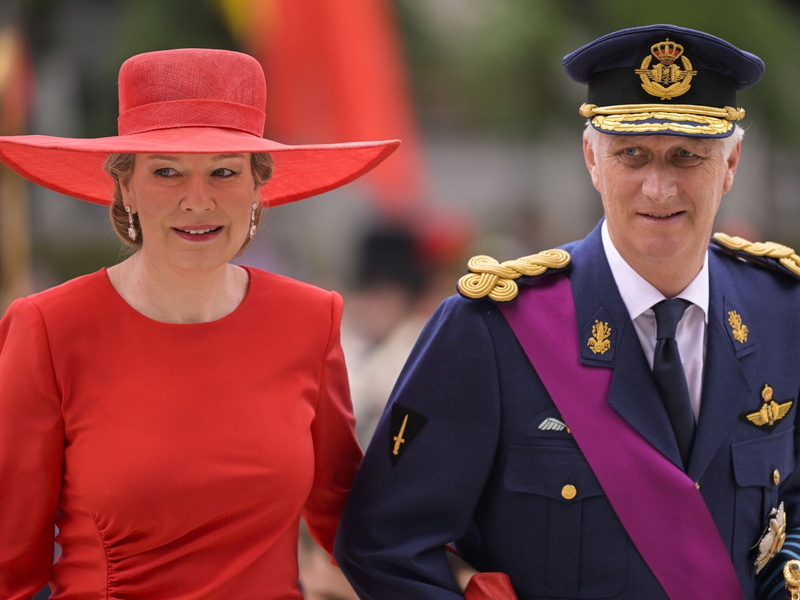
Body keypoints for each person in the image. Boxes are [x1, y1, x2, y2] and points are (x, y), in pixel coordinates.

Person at [334, 24, 800, 599]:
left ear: (730, 167)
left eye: (687, 157)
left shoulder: (783, 311)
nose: (658, 188)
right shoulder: (491, 329)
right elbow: (384, 544)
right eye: (632, 155)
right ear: (592, 159)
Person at [0, 48, 399, 599]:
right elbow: (9, 565)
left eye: (224, 172)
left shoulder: (311, 319)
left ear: (259, 190)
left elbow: (354, 526)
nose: (197, 199)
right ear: (125, 190)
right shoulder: (49, 328)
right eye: (166, 171)